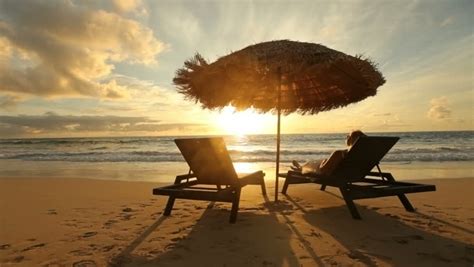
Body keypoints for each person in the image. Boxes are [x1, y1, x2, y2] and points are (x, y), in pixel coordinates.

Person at [291, 130, 367, 175]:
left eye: (348, 136)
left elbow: (323, 170)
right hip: (350, 174)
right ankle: (300, 167)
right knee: (314, 163)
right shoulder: (363, 155)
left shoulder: (339, 153)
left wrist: (324, 162)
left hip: (329, 174)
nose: (347, 137)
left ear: (351, 139)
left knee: (311, 163)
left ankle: (300, 168)